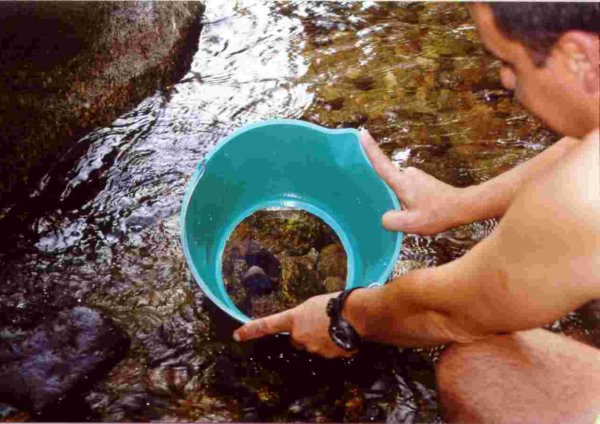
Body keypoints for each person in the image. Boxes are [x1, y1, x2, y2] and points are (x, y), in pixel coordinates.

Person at [234, 3, 600, 422]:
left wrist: (342, 316)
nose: (505, 79)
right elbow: (585, 142)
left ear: (579, 56)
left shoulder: (586, 196)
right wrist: (462, 203)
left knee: (479, 372)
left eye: (509, 62)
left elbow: (450, 312)